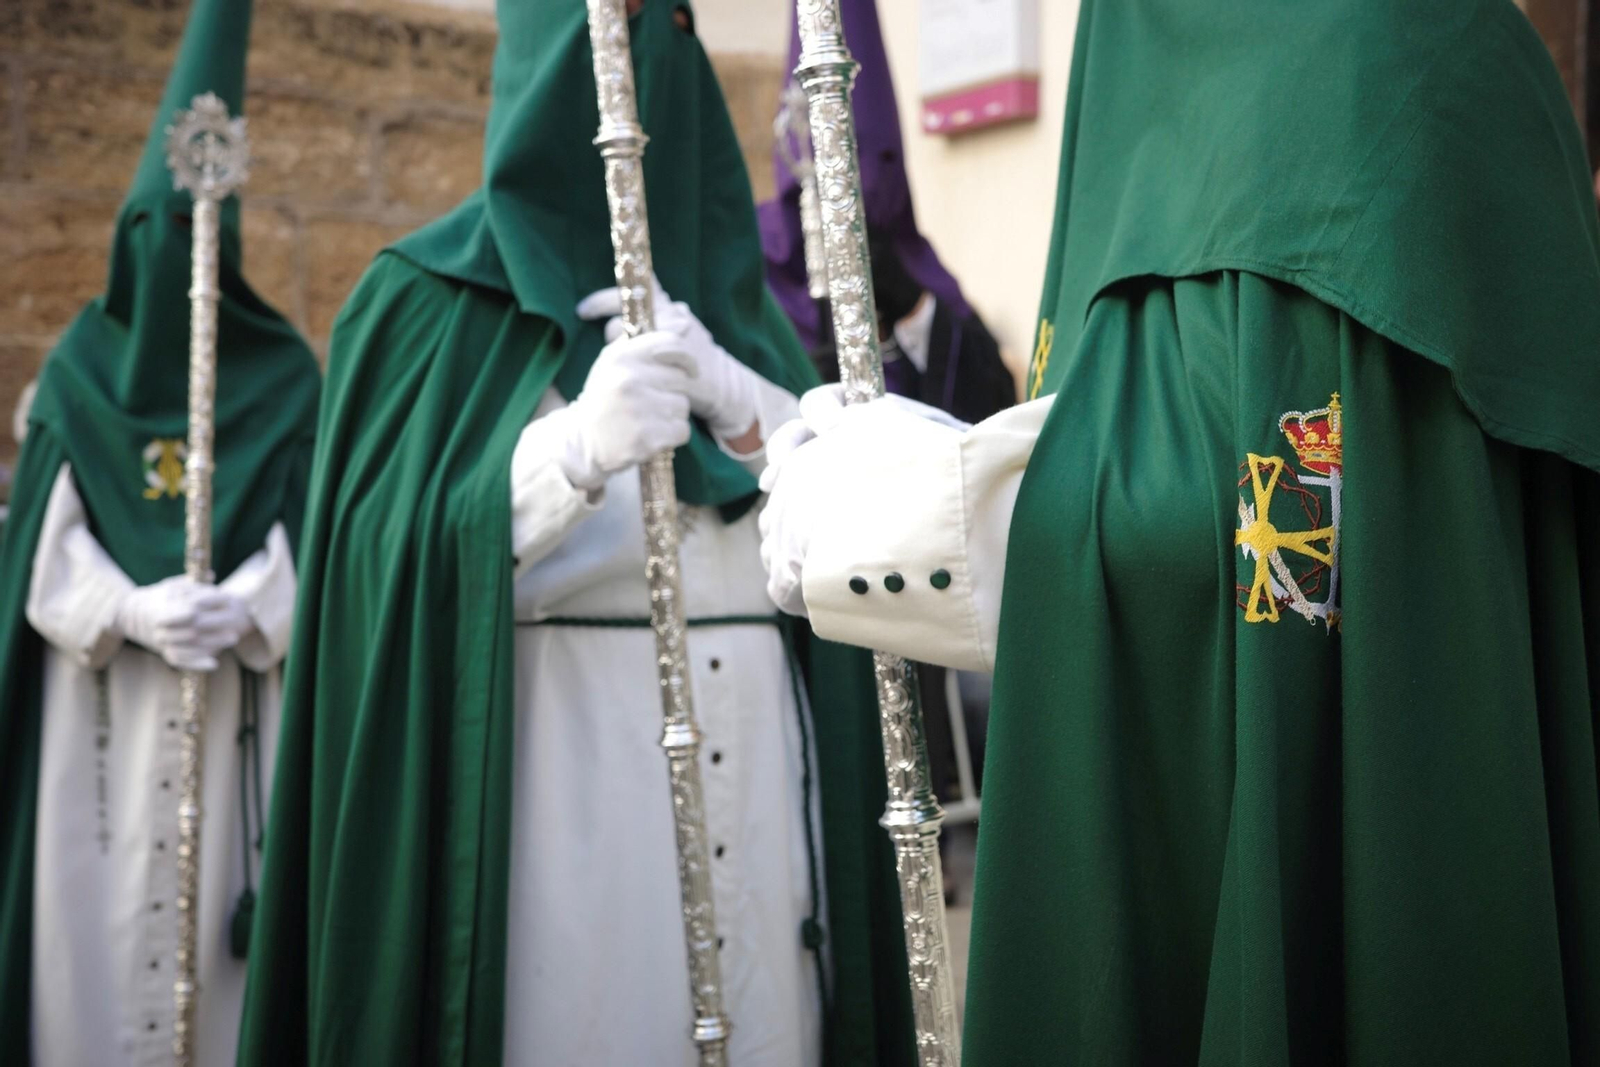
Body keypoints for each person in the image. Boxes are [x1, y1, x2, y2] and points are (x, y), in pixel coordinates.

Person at [759, 0, 1600, 1062]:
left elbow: (1285, 541)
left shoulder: (1383, 49)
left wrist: (904, 509)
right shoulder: (1134, 37)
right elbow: (1131, 418)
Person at [239, 2, 914, 1065]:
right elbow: (372, 577)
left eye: (673, 32)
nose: (651, 87)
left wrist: (763, 422)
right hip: (569, 794)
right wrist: (563, 460)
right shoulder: (421, 300)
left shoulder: (748, 322)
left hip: (770, 797)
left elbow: (852, 566)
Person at [0, 0, 321, 1061]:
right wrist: (127, 604)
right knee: (89, 932)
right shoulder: (76, 377)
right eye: (162, 230)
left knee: (224, 959)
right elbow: (37, 552)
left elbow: (317, 530)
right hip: (97, 712)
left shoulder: (282, 376)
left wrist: (256, 600)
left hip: (235, 705)